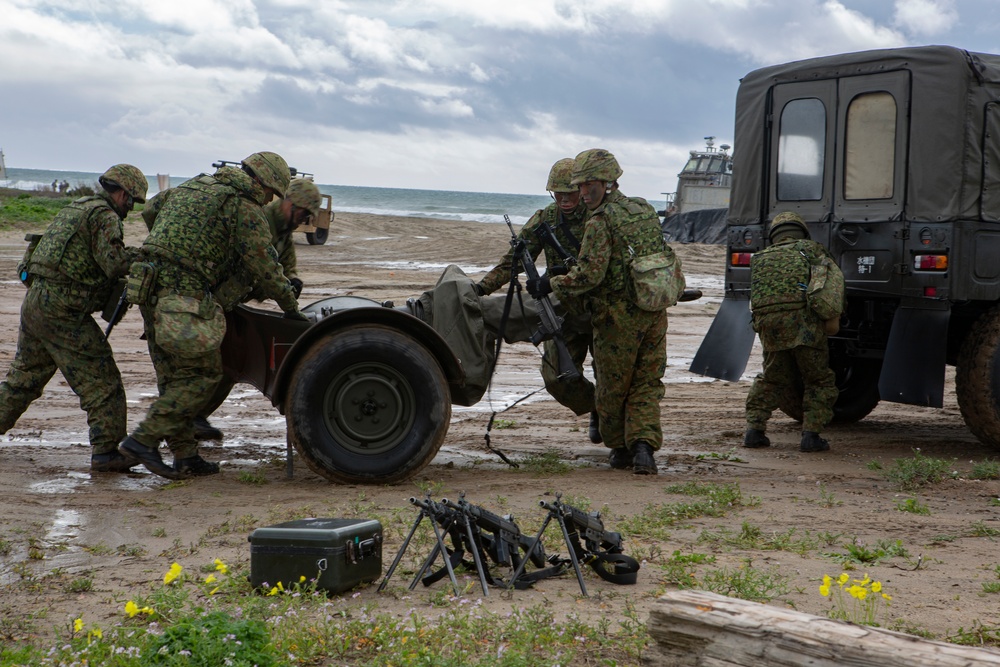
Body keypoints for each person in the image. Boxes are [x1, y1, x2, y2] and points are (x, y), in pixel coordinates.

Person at [118, 152, 304, 479]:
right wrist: (291, 308)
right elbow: (265, 268)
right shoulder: (244, 208)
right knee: (204, 375)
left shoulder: (196, 185)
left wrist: (175, 243)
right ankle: (142, 441)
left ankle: (185, 455)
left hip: (146, 285)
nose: (267, 201)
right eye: (270, 193)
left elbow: (151, 209)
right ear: (260, 182)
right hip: (183, 293)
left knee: (173, 376)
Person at [0, 164, 147, 472]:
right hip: (63, 310)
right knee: (102, 380)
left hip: (37, 302)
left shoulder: (77, 207)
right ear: (121, 193)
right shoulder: (105, 216)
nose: (130, 209)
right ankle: (107, 452)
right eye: (131, 201)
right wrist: (144, 257)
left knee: (23, 380)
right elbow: (115, 264)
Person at [533, 149, 670, 475]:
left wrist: (551, 283)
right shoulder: (643, 208)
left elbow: (588, 275)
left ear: (607, 183)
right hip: (652, 309)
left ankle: (622, 449)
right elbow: (660, 254)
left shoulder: (599, 221)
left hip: (616, 318)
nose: (581, 193)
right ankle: (644, 448)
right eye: (578, 187)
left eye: (586, 186)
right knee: (647, 383)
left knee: (612, 387)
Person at [475, 158, 601, 443]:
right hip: (562, 307)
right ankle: (596, 406)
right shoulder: (546, 219)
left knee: (612, 376)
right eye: (558, 193)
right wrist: (482, 288)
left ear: (582, 189)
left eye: (570, 192)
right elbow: (513, 262)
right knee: (557, 378)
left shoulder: (600, 218)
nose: (565, 199)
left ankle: (620, 430)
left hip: (601, 306)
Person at [192, 177, 322, 441]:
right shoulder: (256, 220)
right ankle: (175, 424)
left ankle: (194, 419)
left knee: (231, 366)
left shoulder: (283, 237)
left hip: (230, 304)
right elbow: (263, 268)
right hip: (208, 302)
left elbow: (286, 268)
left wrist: (293, 281)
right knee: (203, 367)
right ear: (291, 204)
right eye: (303, 214)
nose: (302, 221)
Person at [743, 211, 843, 453]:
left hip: (770, 326)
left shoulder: (761, 257)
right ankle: (811, 436)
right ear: (802, 232)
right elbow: (832, 285)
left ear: (774, 235)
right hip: (805, 326)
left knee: (772, 377)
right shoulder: (812, 250)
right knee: (818, 380)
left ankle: (754, 431)